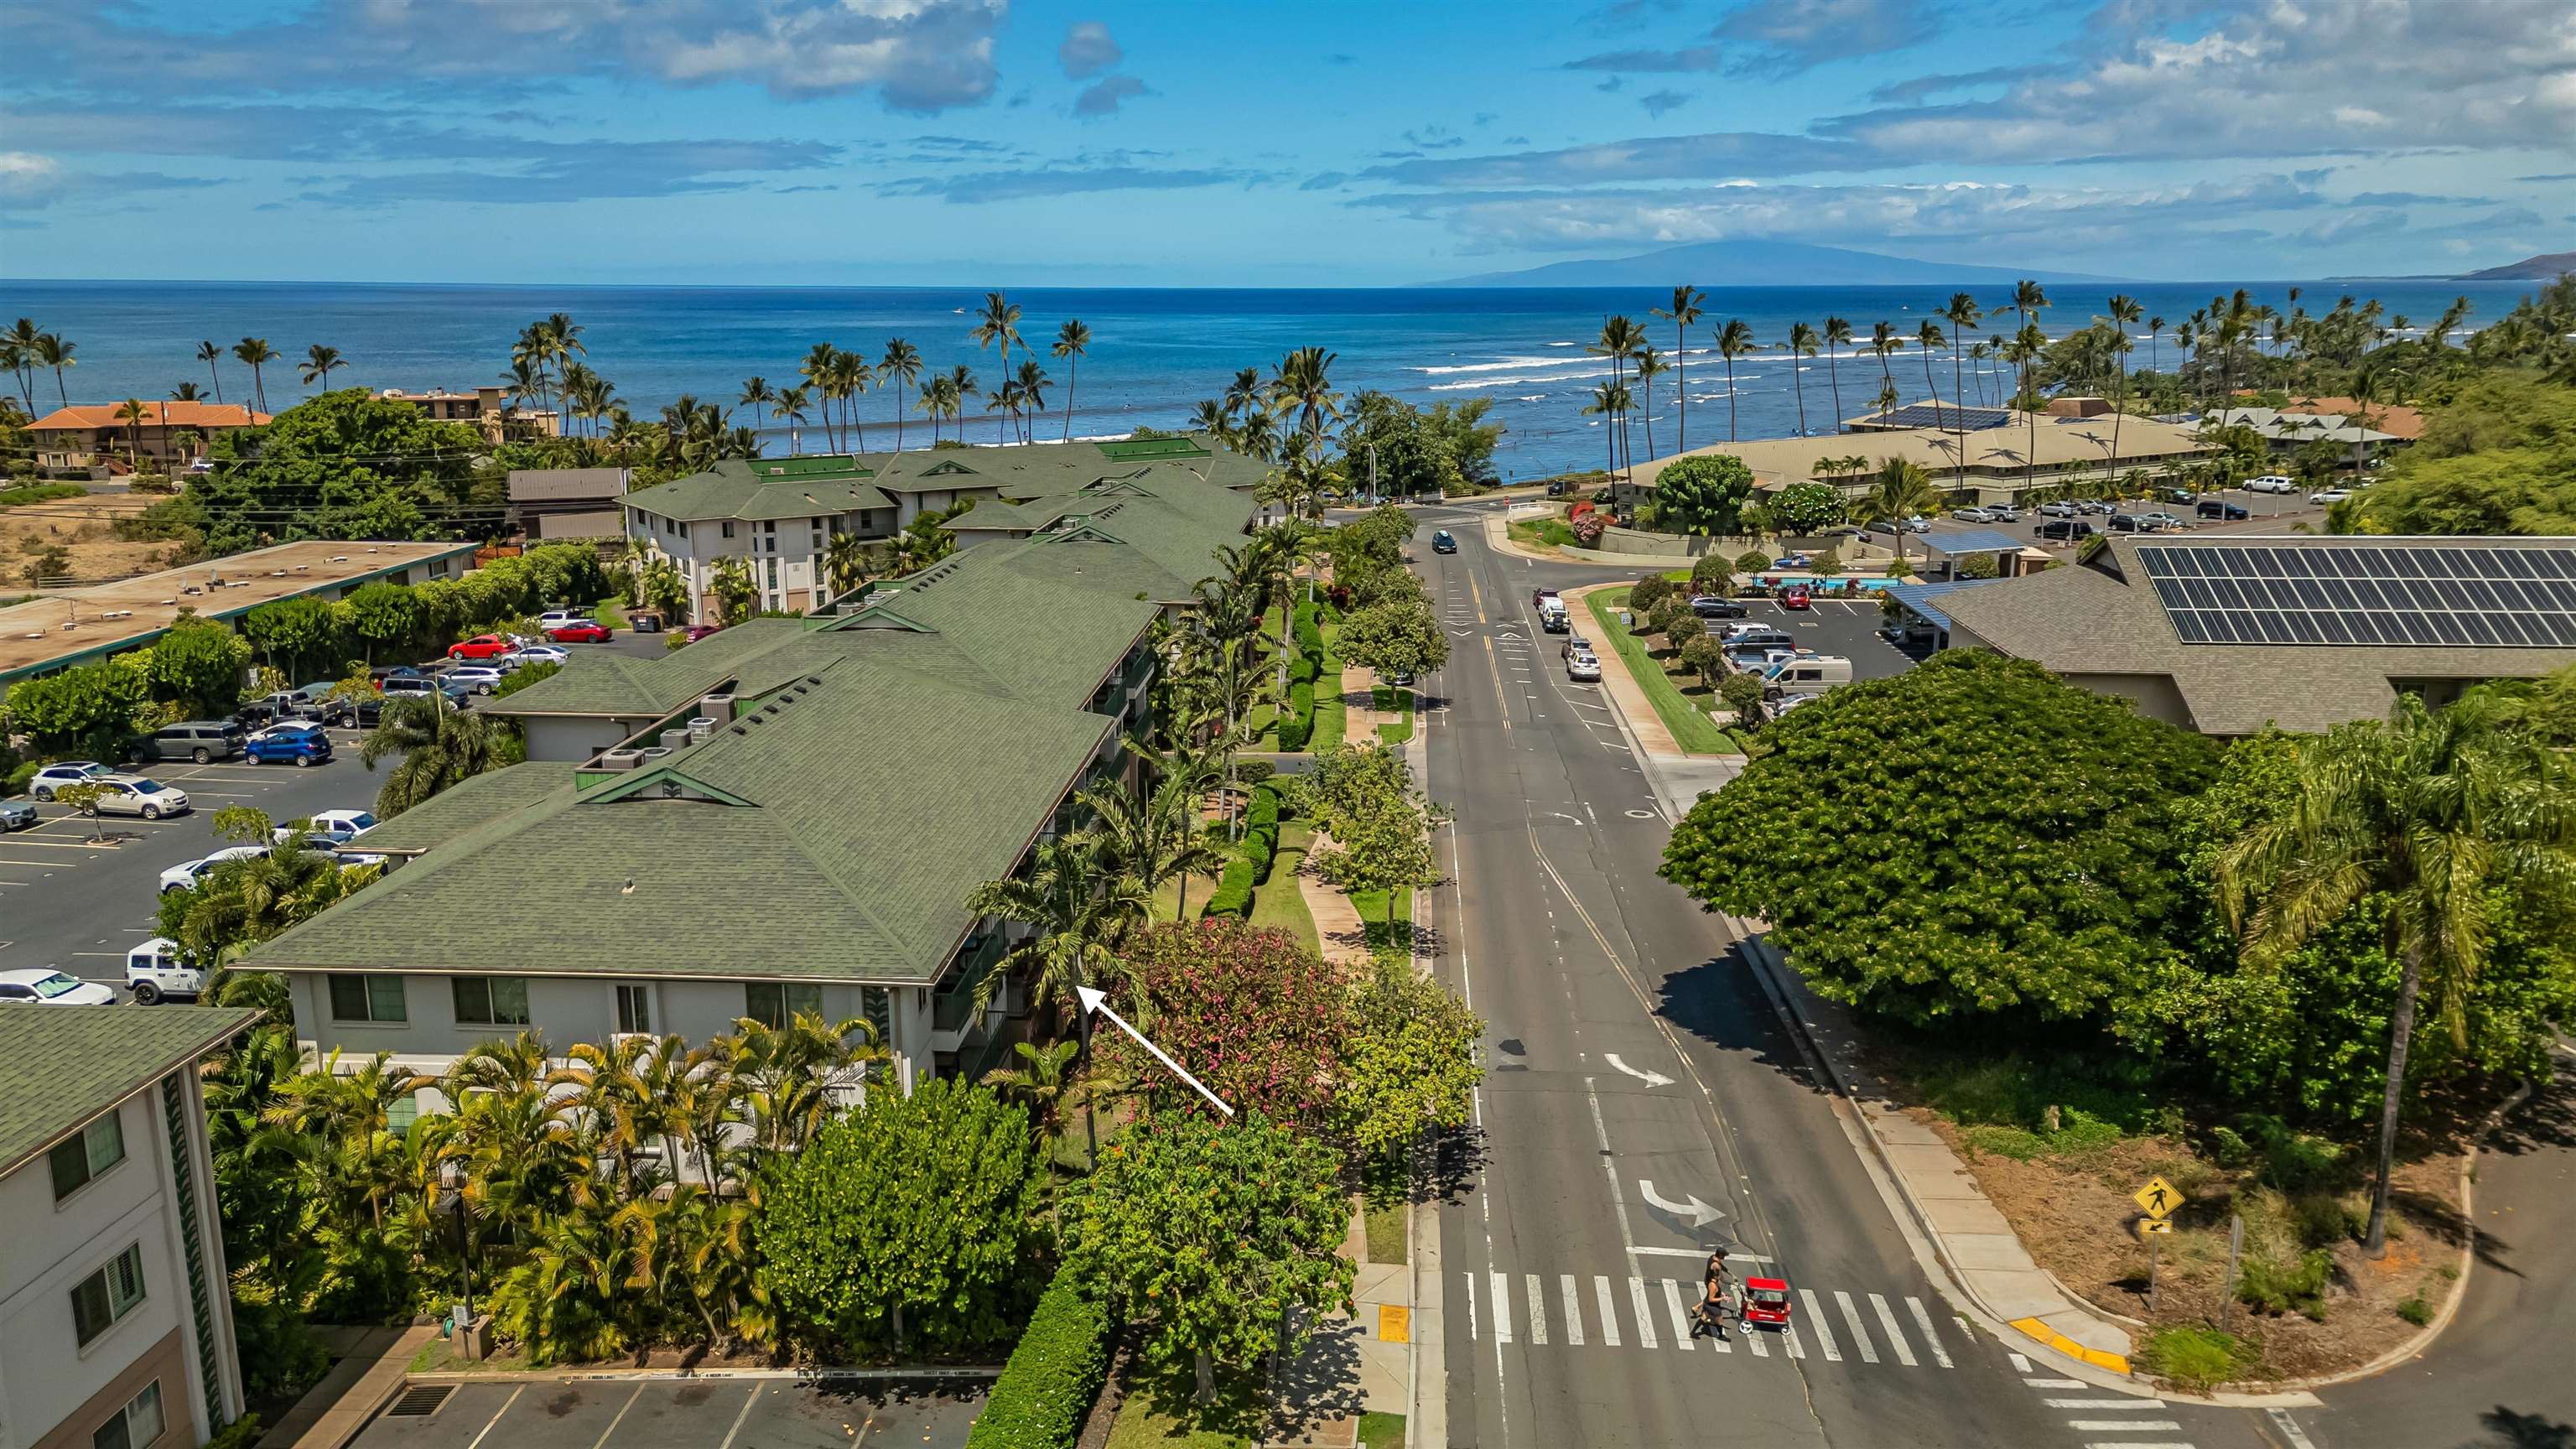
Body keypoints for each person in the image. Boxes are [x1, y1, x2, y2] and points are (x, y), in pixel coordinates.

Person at [1694, 1246, 1732, 1339]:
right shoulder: (1713, 1285)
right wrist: (1723, 1298)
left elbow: (1721, 1271)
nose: (1720, 1277)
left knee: (1704, 1317)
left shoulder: (1713, 1260)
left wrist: (1723, 1295)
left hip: (1709, 1304)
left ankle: (1693, 1332)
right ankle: (1721, 1336)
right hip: (1712, 1306)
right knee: (1719, 1320)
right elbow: (1711, 1298)